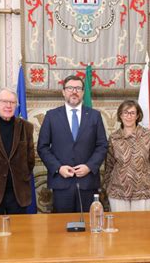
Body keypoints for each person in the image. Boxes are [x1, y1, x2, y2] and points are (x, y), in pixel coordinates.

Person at [37, 75, 108, 213]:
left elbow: (102, 145)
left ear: (82, 92)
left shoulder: (94, 116)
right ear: (63, 92)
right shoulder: (51, 116)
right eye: (70, 88)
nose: (74, 91)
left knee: (89, 226)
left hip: (87, 182)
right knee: (62, 228)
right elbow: (42, 147)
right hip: (61, 182)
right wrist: (58, 168)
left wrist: (89, 166)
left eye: (78, 88)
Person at [104, 100, 150, 212]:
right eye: (125, 112)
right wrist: (107, 188)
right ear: (120, 115)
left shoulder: (147, 135)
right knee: (120, 227)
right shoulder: (114, 137)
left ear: (137, 115)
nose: (128, 116)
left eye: (132, 113)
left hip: (143, 191)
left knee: (142, 228)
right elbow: (109, 165)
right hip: (118, 192)